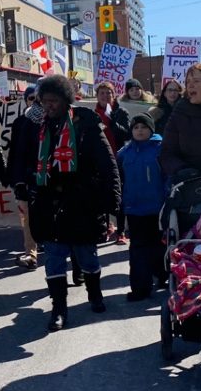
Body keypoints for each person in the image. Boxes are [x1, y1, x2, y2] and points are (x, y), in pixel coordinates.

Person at [19, 75, 120, 332]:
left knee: (86, 255)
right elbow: (22, 155)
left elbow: (107, 162)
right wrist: (21, 182)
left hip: (81, 200)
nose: (49, 106)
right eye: (45, 101)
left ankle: (95, 293)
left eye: (53, 101)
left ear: (66, 100)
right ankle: (58, 307)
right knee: (53, 256)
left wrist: (112, 198)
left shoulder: (85, 123)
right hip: (48, 200)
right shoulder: (35, 124)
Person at [116, 113, 166, 301]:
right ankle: (140, 289)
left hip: (157, 208)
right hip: (134, 209)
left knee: (158, 247)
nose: (139, 130)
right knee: (137, 250)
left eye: (143, 127)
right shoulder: (125, 152)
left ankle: (162, 276)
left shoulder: (160, 149)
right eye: (136, 127)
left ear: (151, 129)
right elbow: (118, 176)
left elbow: (168, 177)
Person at [7, 85, 43, 269]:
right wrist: (17, 179)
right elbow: (17, 152)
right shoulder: (24, 122)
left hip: (58, 175)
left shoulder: (63, 117)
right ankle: (31, 254)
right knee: (28, 215)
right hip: (31, 176)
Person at [93, 82, 130, 244]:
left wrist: (113, 121)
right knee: (101, 194)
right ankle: (108, 225)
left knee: (119, 194)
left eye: (109, 93)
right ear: (97, 96)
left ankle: (121, 231)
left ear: (113, 95)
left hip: (119, 159)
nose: (105, 96)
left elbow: (126, 134)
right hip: (99, 159)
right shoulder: (93, 114)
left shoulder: (120, 112)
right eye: (102, 93)